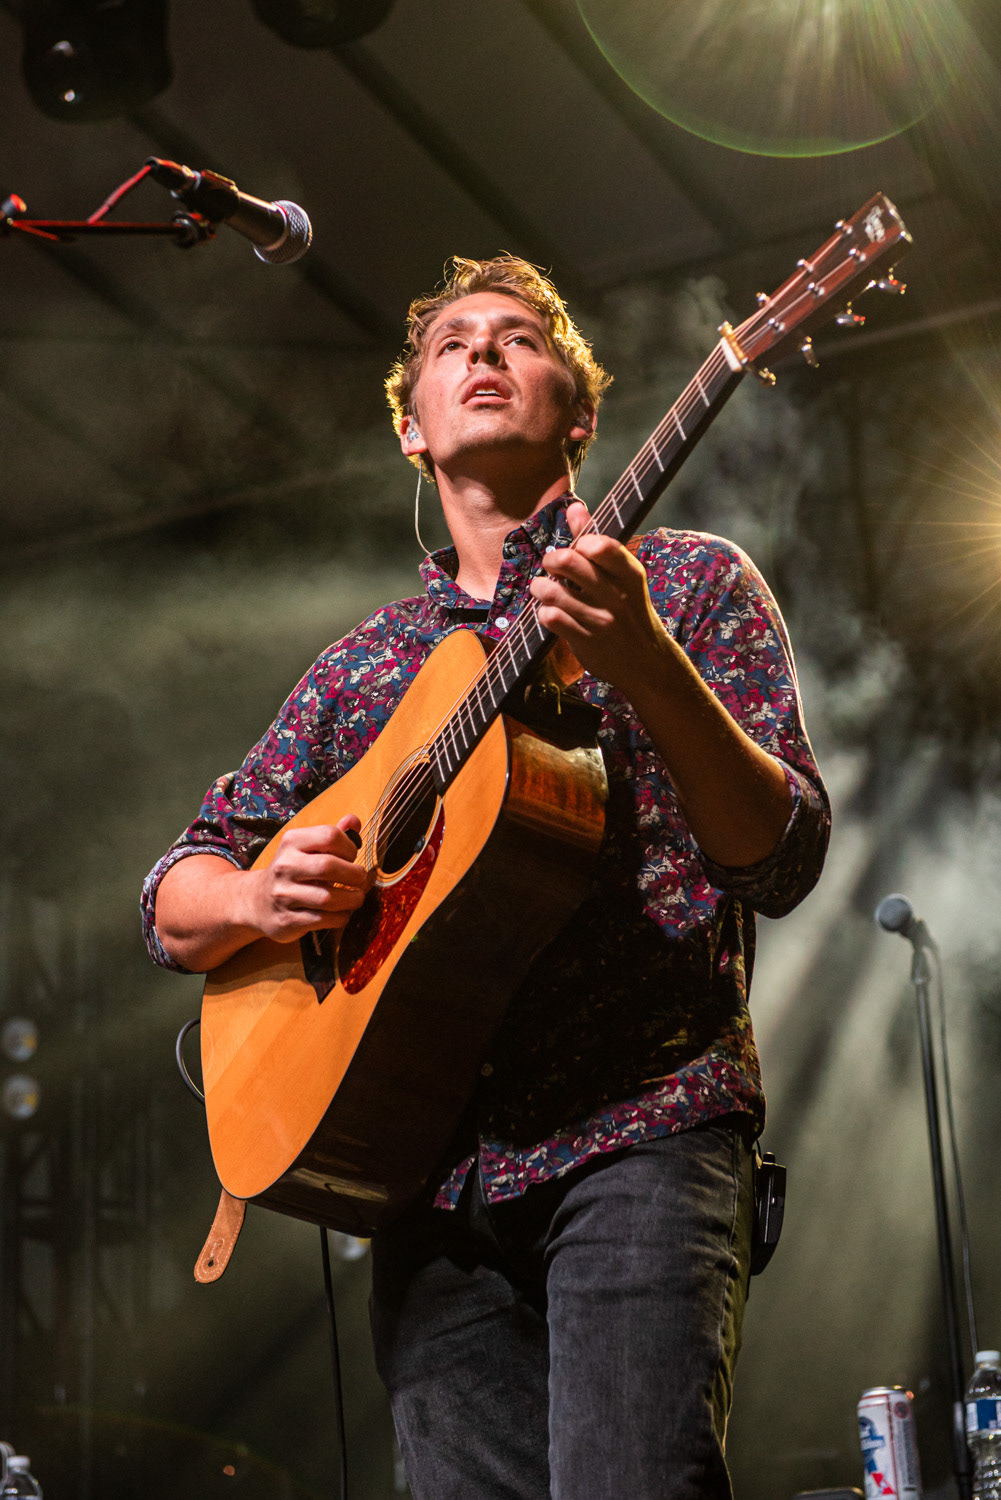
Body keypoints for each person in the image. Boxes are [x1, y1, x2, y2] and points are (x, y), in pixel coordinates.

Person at [142, 254, 830, 1499]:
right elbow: (171, 898)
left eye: (518, 337)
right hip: (425, 1176)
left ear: (580, 412)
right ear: (411, 428)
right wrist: (254, 894)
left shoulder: (684, 584)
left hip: (639, 1127)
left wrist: (649, 666)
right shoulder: (363, 670)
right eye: (451, 342)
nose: (481, 351)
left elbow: (780, 860)